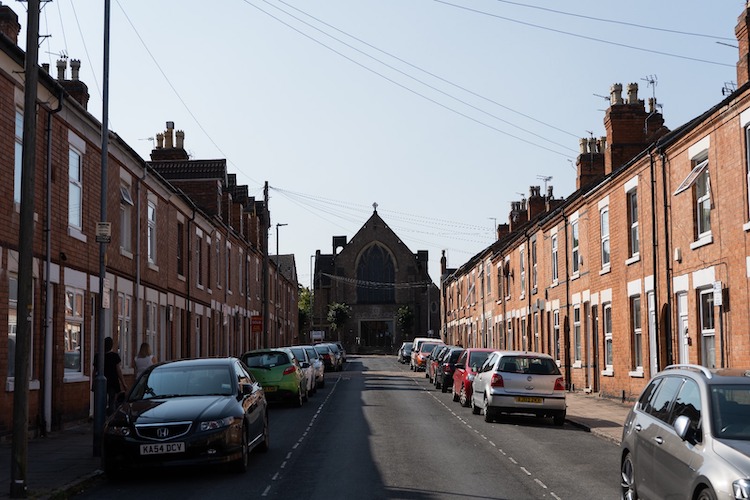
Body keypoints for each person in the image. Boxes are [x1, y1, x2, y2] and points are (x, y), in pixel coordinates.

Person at [95, 337, 127, 416]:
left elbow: (95, 370)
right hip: (113, 382)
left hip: (102, 382)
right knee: (112, 401)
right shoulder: (115, 356)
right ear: (111, 346)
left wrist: (93, 383)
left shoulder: (98, 356)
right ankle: (110, 419)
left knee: (101, 401)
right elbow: (118, 370)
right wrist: (123, 383)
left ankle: (101, 417)